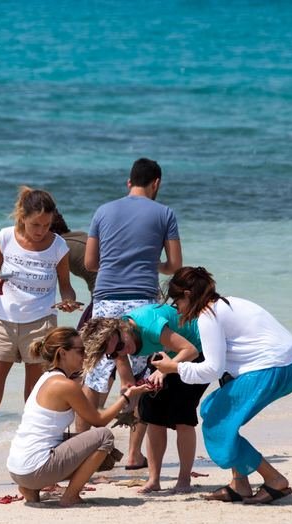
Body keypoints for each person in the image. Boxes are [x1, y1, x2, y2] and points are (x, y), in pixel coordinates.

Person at [0, 187, 82, 488]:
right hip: (2, 323)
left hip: (41, 326)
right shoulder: (4, 238)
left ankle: (42, 468)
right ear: (22, 218)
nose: (41, 231)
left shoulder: (58, 247)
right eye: (35, 225)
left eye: (47, 225)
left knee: (36, 399)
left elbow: (66, 287)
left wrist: (68, 300)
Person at [152, 267, 292, 504]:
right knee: (211, 408)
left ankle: (274, 479)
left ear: (188, 294)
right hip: (291, 363)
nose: (178, 308)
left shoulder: (208, 315)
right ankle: (239, 484)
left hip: (273, 368)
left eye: (177, 301)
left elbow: (212, 369)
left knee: (216, 422)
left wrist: (175, 368)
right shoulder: (228, 303)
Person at [78, 158, 183, 470]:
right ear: (156, 183)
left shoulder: (103, 211)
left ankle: (84, 451)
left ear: (128, 183)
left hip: (107, 299)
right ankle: (135, 455)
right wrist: (154, 265)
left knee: (95, 379)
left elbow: (91, 263)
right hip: (142, 304)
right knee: (142, 380)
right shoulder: (165, 213)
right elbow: (175, 265)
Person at [7, 327, 152, 506]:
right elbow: (99, 420)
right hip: (35, 469)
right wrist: (127, 397)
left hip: (17, 469)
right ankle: (70, 496)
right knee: (104, 437)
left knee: (105, 454)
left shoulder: (46, 378)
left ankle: (30, 488)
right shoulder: (64, 385)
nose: (84, 356)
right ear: (62, 353)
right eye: (80, 351)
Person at [80, 302, 206, 494]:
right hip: (169, 355)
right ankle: (154, 480)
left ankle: (184, 480)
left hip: (198, 351)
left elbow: (190, 350)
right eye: (113, 353)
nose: (121, 352)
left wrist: (164, 372)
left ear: (121, 329)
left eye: (121, 346)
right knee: (152, 413)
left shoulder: (150, 325)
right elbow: (127, 381)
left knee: (182, 416)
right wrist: (129, 395)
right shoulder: (116, 343)